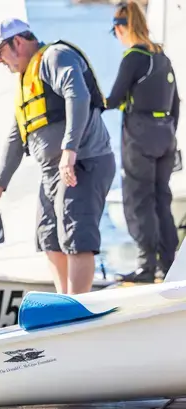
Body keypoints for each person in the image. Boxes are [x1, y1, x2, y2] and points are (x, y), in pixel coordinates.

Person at [0, 18, 116, 294]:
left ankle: (77, 308)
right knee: (49, 237)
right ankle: (66, 301)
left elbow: (77, 95)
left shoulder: (55, 57)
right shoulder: (25, 79)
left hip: (82, 161)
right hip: (52, 171)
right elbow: (16, 136)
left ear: (17, 42)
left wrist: (70, 149)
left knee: (76, 235)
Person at [106, 1, 180, 283]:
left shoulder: (134, 57)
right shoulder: (162, 56)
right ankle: (170, 266)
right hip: (165, 135)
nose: (116, 37)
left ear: (122, 27)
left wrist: (92, 101)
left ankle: (146, 267)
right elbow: (177, 103)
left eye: (115, 30)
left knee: (140, 201)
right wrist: (169, 130)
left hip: (140, 136)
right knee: (162, 199)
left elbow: (113, 99)